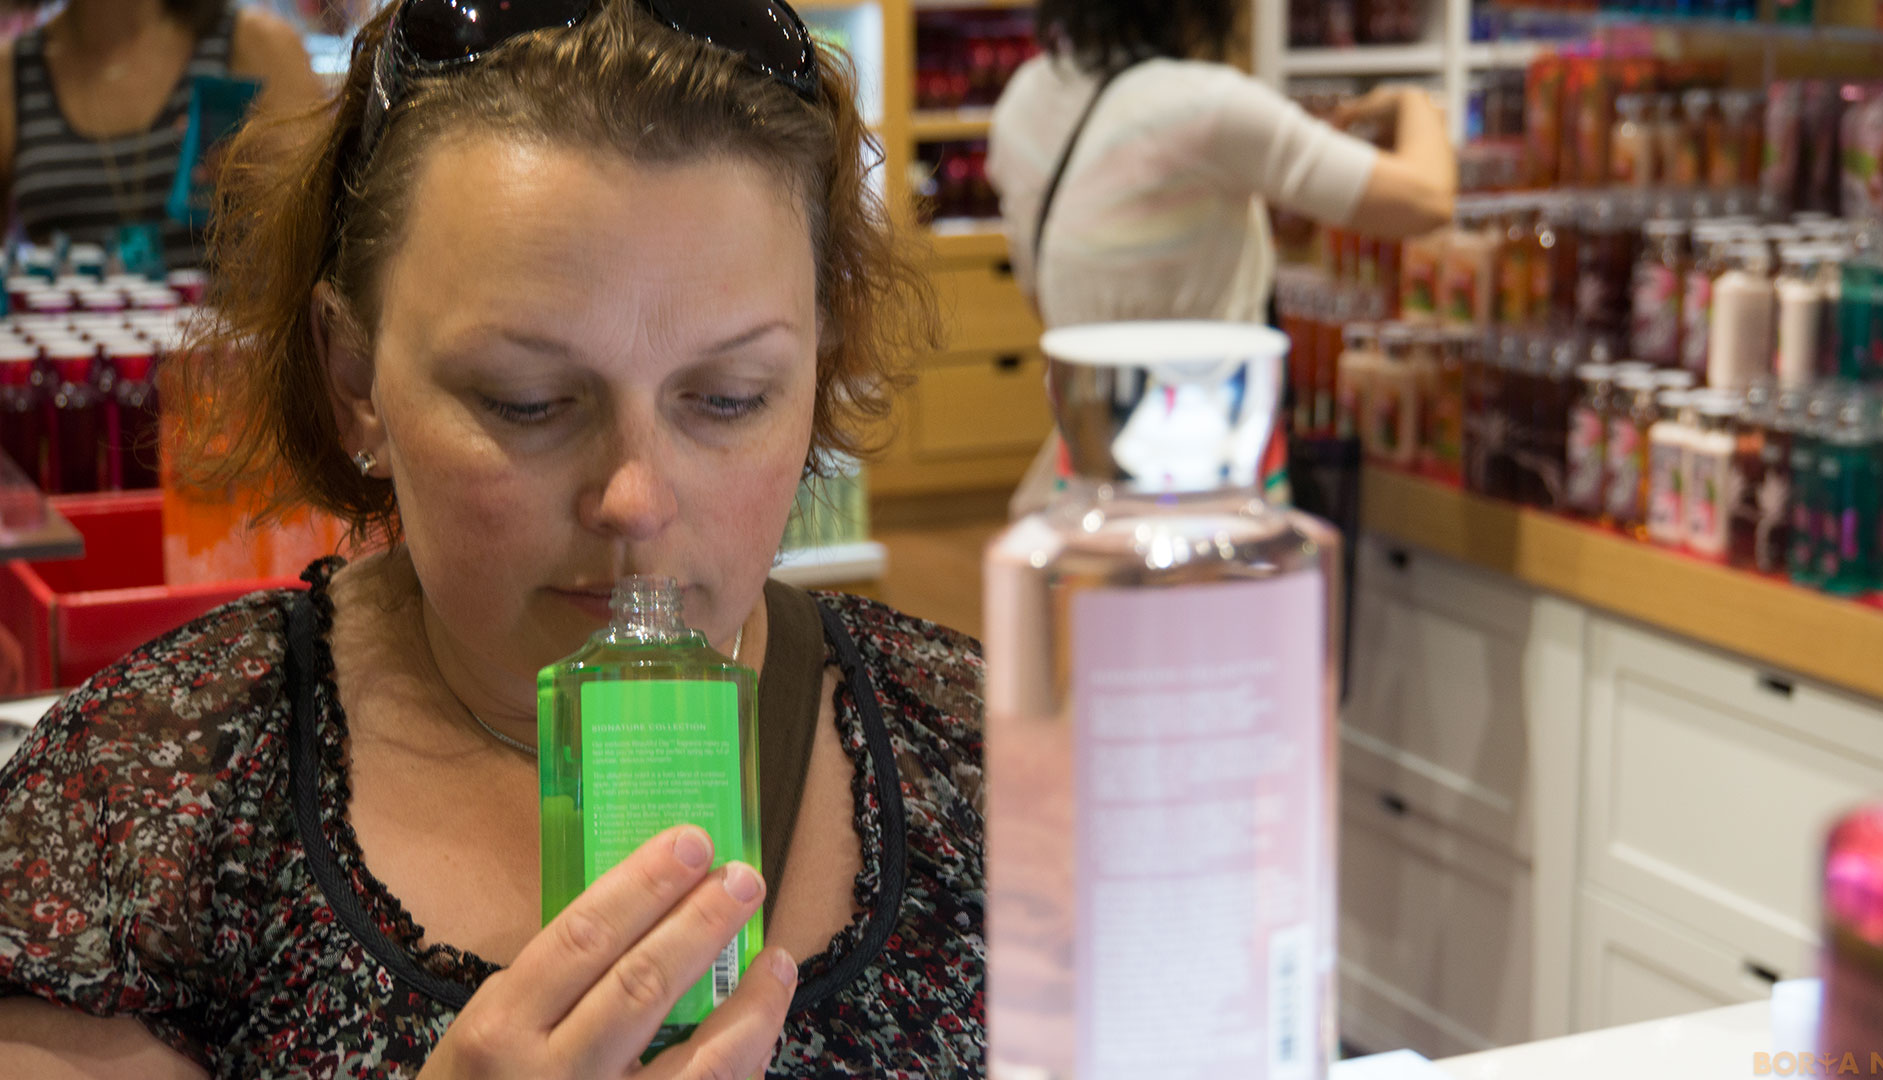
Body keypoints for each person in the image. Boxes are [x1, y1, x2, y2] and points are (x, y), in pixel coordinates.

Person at [0, 2, 980, 1077]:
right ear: (355, 379)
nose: (635, 499)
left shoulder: (980, 762)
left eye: (731, 397)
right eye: (526, 401)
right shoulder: (145, 805)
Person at [985, 0, 1457, 329]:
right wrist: (1414, 102)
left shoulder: (1022, 101)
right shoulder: (1206, 104)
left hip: (1086, 427)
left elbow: (1047, 291)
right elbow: (1427, 199)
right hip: (1209, 424)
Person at [0, 0, 324, 269]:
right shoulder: (12, 72)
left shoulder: (258, 46)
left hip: (228, 329)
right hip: (66, 327)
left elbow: (327, 242)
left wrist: (282, 190)